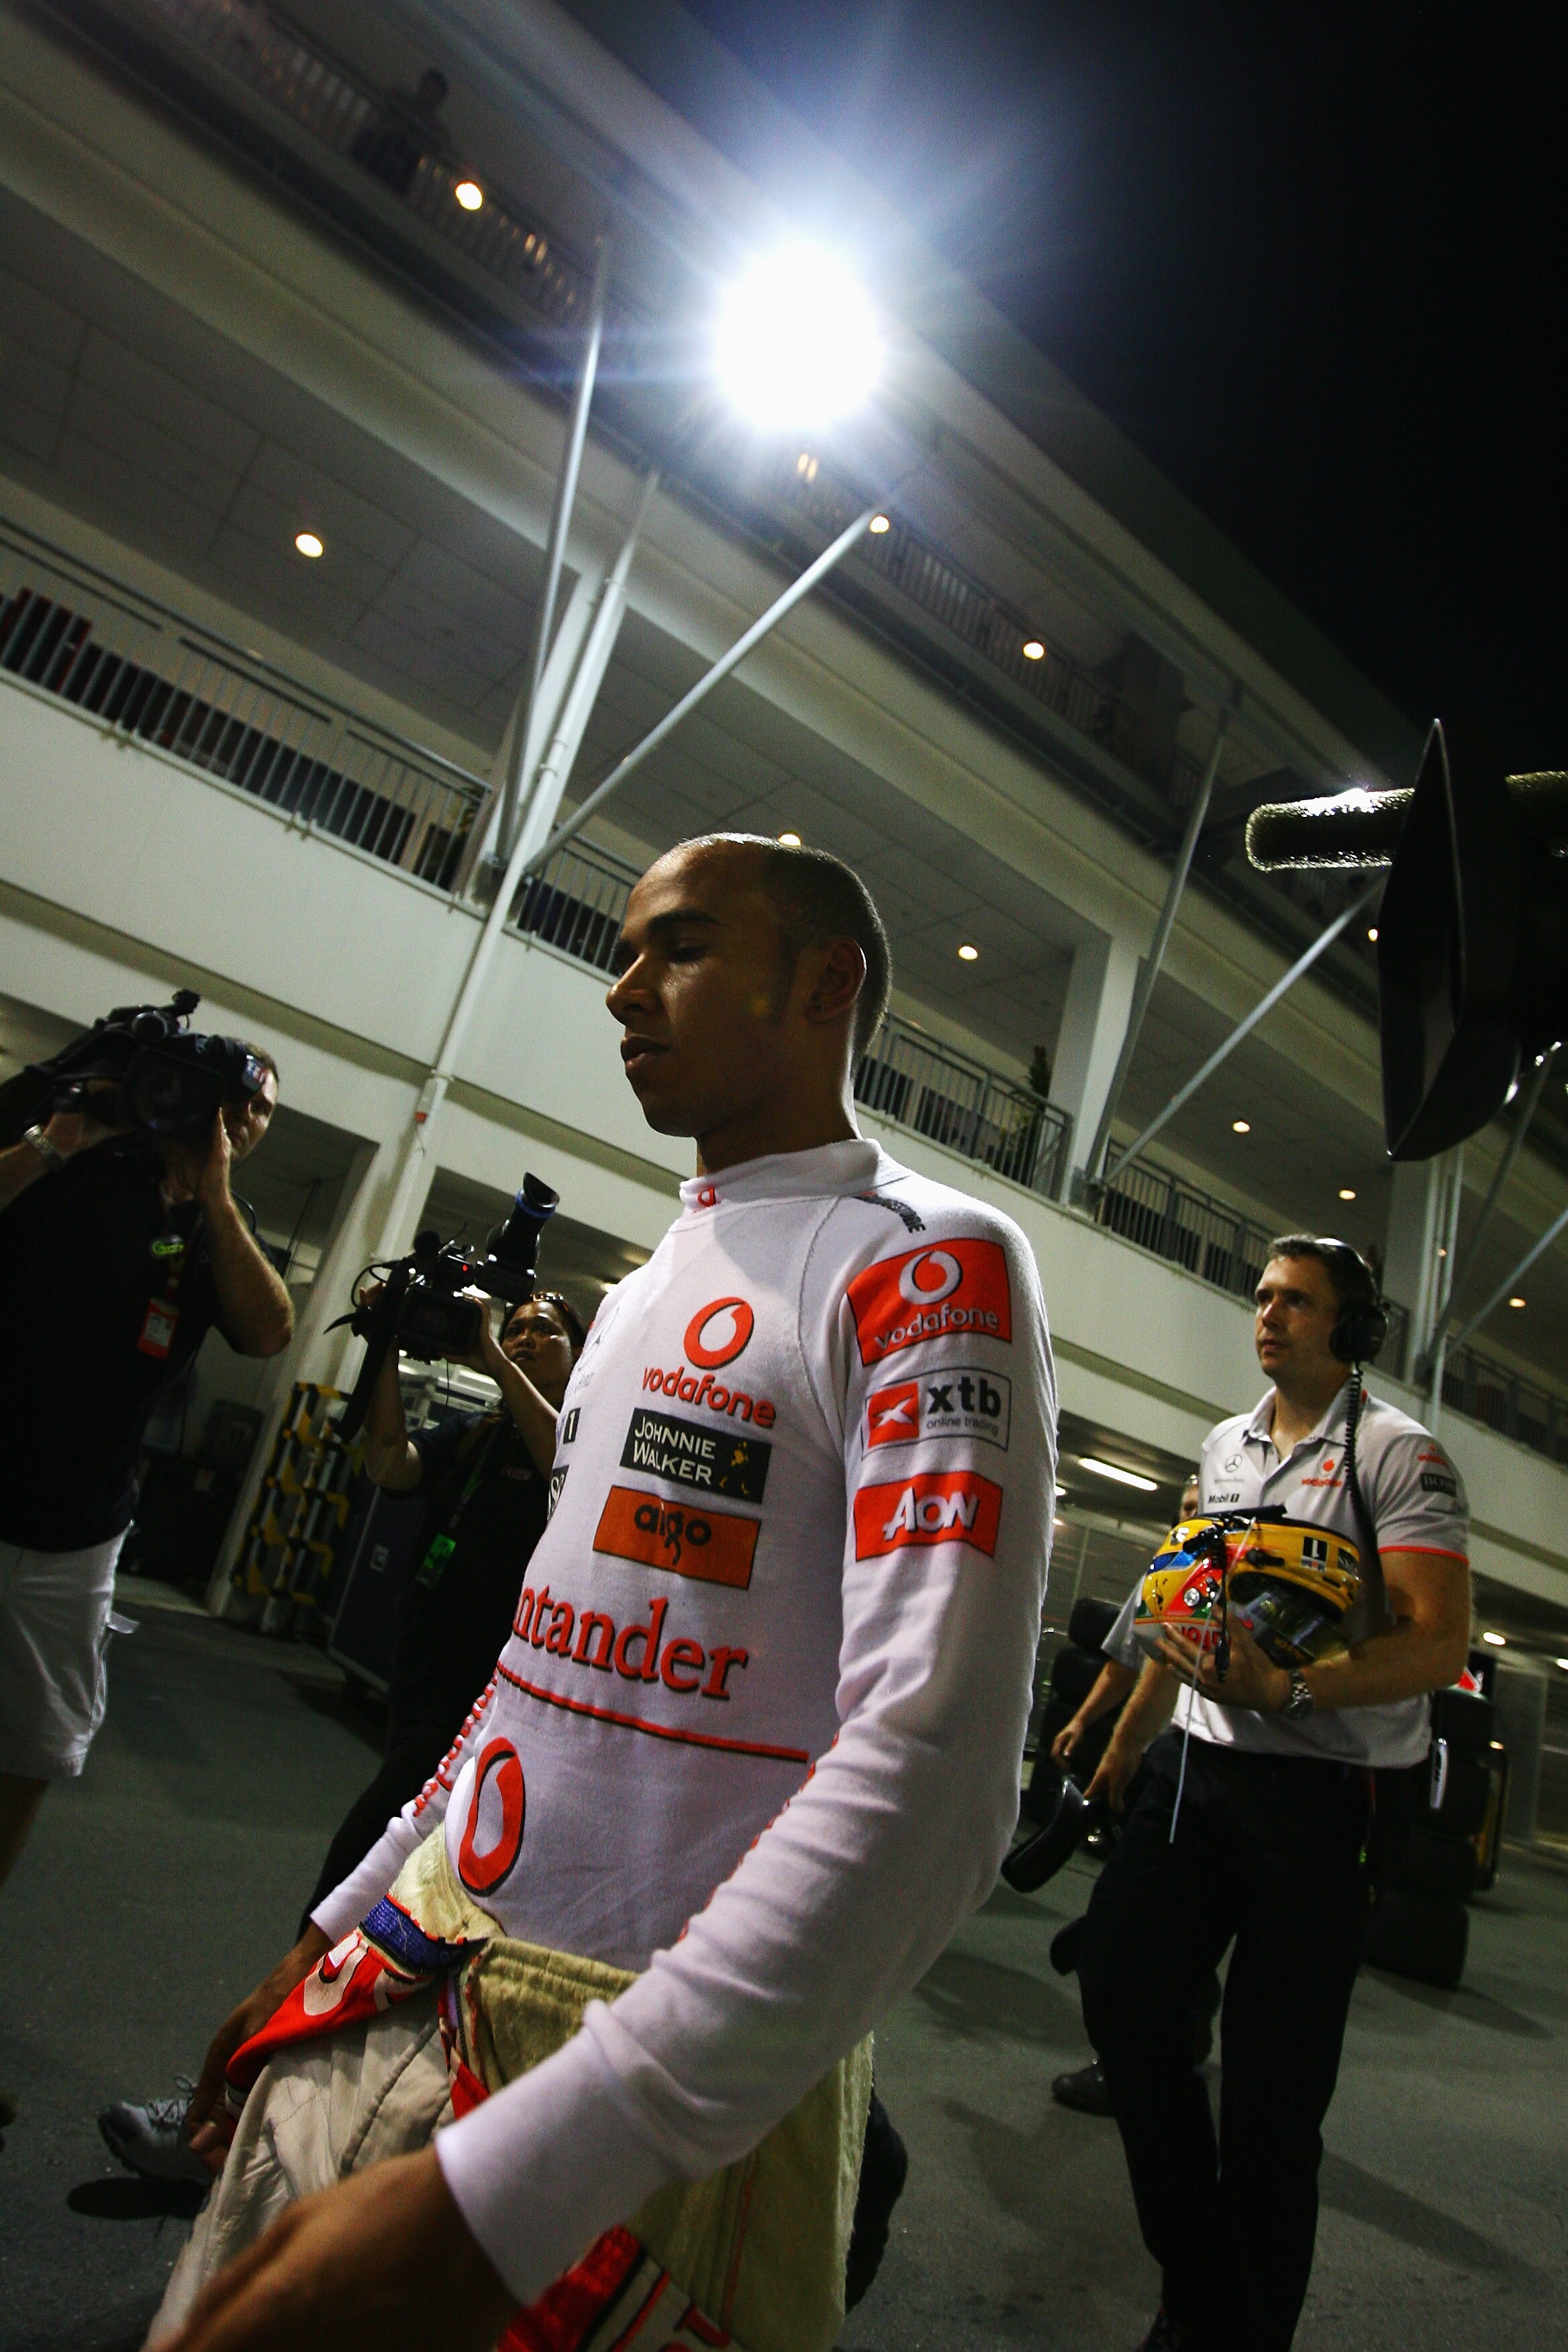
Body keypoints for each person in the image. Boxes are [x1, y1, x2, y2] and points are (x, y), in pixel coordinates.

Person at [150, 833, 1057, 2352]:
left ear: (823, 981)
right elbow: (534, 1670)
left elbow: (937, 1763)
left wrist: (514, 2185)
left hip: (639, 2070)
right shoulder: (642, 1290)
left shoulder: (924, 1260)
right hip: (419, 1964)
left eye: (680, 946)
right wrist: (342, 1921)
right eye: (625, 947)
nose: (621, 983)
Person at [1076, 1238, 1470, 2352]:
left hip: (1329, 1798)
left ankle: (1233, 2327)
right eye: (1261, 1295)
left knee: (1269, 2101)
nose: (1269, 1314)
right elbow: (1185, 1607)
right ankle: (1202, 2274)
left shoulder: (1402, 1454)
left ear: (1353, 1328)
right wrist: (1128, 1731)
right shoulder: (1222, 1445)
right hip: (1196, 1769)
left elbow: (1435, 1639)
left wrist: (1295, 1683)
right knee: (1119, 1990)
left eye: (1297, 1300)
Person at [97, 1288, 584, 2186]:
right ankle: (287, 2142)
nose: (518, 1336)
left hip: (477, 1741)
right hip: (422, 1709)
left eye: (541, 1330)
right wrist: (389, 1357)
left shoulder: (577, 1453)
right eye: (511, 1324)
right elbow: (392, 1464)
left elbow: (569, 1458)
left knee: (340, 1914)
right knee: (377, 1936)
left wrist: (492, 1359)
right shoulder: (476, 1441)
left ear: (579, 1354)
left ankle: (230, 2127)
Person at [0, 1052, 292, 1889]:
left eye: (263, 1111)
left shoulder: (223, 1224)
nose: (243, 1118)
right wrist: (57, 1143)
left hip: (80, 1536)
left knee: (33, 1749)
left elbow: (270, 1332)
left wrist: (216, 1198)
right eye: (230, 1098)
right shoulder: (90, 1165)